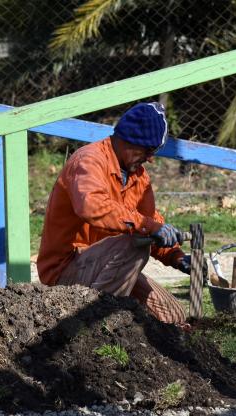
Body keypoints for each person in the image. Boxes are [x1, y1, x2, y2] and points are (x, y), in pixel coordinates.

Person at [36, 102, 191, 325]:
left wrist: (177, 257)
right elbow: (92, 206)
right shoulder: (88, 161)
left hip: (110, 265)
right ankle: (95, 326)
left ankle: (111, 319)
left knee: (173, 317)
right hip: (67, 269)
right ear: (128, 140)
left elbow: (150, 222)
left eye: (154, 151)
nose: (150, 158)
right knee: (134, 245)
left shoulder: (137, 175)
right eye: (148, 150)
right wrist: (147, 226)